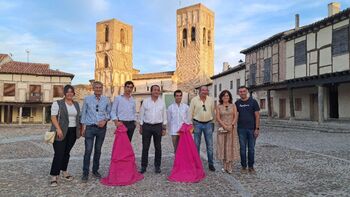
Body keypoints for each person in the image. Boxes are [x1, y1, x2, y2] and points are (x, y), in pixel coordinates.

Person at [49, 85, 81, 187]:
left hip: (72, 131)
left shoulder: (76, 104)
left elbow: (78, 118)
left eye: (71, 92)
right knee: (59, 153)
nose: (70, 93)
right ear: (65, 93)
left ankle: (64, 171)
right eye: (68, 91)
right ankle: (54, 176)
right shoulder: (57, 103)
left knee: (67, 153)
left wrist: (80, 130)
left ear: (74, 93)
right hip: (60, 131)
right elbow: (53, 117)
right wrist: (58, 129)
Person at [81, 81, 111, 182]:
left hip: (102, 129)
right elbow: (83, 113)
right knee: (88, 151)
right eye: (96, 87)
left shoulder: (106, 100)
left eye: (100, 87)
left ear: (102, 89)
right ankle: (85, 173)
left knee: (98, 150)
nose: (98, 89)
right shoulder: (87, 99)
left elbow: (110, 113)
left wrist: (105, 120)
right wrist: (82, 128)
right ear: (93, 88)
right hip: (90, 128)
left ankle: (95, 170)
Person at [139, 85, 167, 174]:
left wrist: (164, 127)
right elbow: (141, 114)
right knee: (145, 147)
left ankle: (157, 166)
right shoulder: (146, 102)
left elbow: (164, 115)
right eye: (155, 90)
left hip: (158, 126)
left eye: (158, 90)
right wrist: (141, 126)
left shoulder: (162, 102)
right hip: (147, 126)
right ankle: (143, 166)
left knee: (158, 147)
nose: (156, 91)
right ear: (151, 91)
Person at [189, 85, 216, 171]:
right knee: (196, 145)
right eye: (203, 90)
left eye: (206, 90)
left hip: (208, 123)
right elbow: (190, 113)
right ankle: (197, 164)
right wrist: (191, 125)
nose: (204, 91)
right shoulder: (194, 100)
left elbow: (213, 111)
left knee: (210, 145)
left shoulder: (211, 100)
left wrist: (213, 123)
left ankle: (211, 164)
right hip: (197, 124)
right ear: (199, 91)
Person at [235, 86, 260, 174]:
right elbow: (235, 116)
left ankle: (251, 167)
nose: (242, 93)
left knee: (251, 149)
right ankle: (243, 166)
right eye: (240, 92)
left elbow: (257, 116)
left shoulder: (253, 102)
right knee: (242, 149)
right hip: (241, 129)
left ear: (247, 92)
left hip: (252, 129)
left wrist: (257, 128)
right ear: (239, 93)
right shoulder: (237, 103)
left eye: (243, 91)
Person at [216, 90, 239, 174]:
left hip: (231, 129)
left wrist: (232, 125)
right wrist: (224, 126)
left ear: (230, 97)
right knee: (223, 146)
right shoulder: (219, 106)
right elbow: (218, 118)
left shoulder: (233, 106)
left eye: (227, 96)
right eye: (224, 96)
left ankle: (229, 166)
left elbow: (235, 116)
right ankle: (224, 165)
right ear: (221, 97)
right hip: (222, 128)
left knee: (230, 146)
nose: (226, 97)